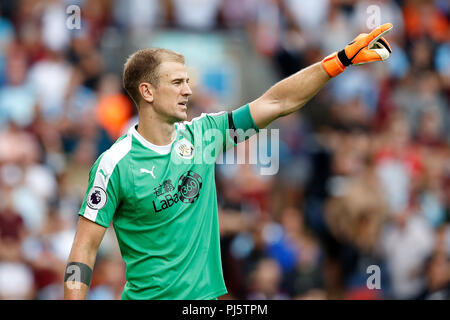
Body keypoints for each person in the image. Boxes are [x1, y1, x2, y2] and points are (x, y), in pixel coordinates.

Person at [64, 23, 393, 300]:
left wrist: (339, 61)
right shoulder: (115, 164)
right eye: (177, 83)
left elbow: (277, 101)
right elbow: (83, 250)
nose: (188, 92)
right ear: (147, 92)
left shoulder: (204, 135)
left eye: (187, 82)